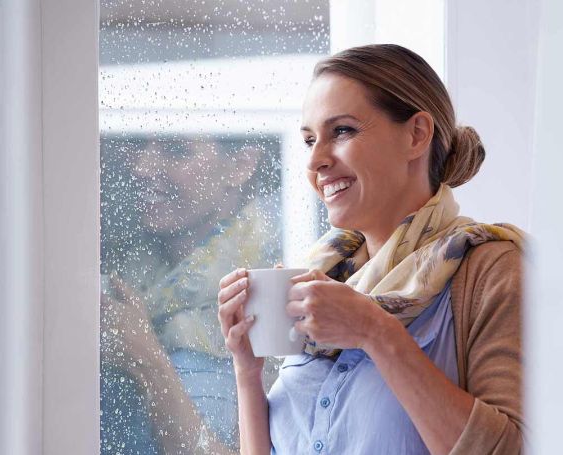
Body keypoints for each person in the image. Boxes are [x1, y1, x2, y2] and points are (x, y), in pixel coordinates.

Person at [217, 44, 526, 454]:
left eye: (341, 131)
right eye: (310, 140)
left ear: (416, 134)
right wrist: (247, 372)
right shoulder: (327, 277)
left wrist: (375, 331)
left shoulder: (493, 271)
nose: (316, 161)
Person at [100, 136, 282, 454]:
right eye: (138, 144)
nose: (142, 168)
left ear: (241, 166)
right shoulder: (118, 275)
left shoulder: (270, 287)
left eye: (176, 150)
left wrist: (147, 360)